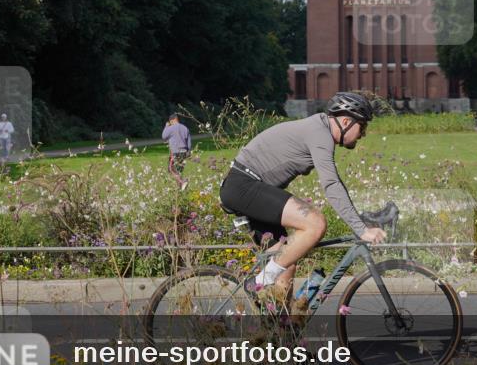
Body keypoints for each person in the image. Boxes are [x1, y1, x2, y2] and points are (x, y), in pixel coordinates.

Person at [219, 92, 386, 308]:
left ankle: (278, 331)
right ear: (346, 121)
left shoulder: (320, 130)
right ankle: (259, 282)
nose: (363, 134)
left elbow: (337, 183)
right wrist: (361, 229)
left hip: (248, 187)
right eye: (362, 127)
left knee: (286, 262)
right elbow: (331, 184)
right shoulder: (320, 134)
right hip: (243, 185)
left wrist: (359, 220)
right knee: (315, 223)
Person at [162, 113, 191, 191]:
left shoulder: (170, 128)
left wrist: (166, 126)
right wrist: (188, 152)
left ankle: (183, 182)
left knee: (171, 169)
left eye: (170, 122)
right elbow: (189, 142)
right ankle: (180, 189)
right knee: (179, 171)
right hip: (184, 152)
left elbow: (164, 137)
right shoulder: (185, 128)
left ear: (172, 120)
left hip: (175, 152)